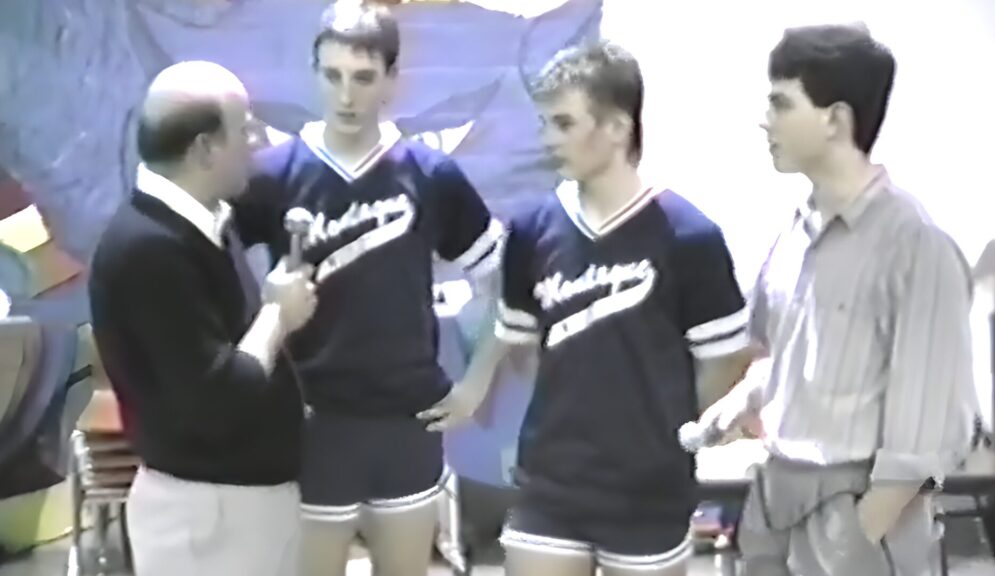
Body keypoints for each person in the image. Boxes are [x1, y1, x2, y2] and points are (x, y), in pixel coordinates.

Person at [459, 41, 756, 576]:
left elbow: (725, 361)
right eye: (545, 123)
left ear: (617, 128)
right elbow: (520, 342)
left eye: (564, 123)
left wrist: (664, 430)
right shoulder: (530, 231)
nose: (549, 139)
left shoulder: (689, 236)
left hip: (649, 493)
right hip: (551, 485)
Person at [231, 3, 505, 574]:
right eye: (332, 75)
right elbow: (207, 272)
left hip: (407, 419)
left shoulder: (430, 174)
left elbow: (503, 280)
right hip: (311, 420)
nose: (345, 95)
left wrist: (476, 384)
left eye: (362, 77)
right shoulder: (272, 175)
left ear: (391, 79)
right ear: (313, 72)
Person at [694, 24, 977, 575]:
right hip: (776, 501)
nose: (764, 120)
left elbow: (926, 434)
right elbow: (786, 357)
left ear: (835, 119)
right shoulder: (791, 235)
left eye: (781, 103)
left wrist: (858, 533)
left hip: (856, 514)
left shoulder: (916, 246)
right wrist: (740, 401)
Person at [88, 61, 318, 576]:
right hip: (208, 522)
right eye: (245, 130)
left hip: (239, 511)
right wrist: (277, 315)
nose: (257, 143)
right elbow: (215, 400)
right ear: (204, 149)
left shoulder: (204, 221)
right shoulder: (148, 251)